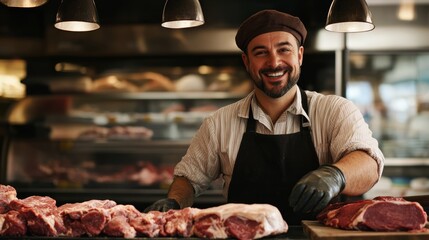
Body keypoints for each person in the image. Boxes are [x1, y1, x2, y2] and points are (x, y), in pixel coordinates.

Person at [144, 9, 385, 224]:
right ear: (246, 62)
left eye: (284, 50)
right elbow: (189, 178)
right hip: (246, 235)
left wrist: (335, 175)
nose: (274, 62)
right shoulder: (219, 123)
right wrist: (174, 203)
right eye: (261, 53)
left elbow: (368, 163)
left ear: (299, 55)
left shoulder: (335, 111)